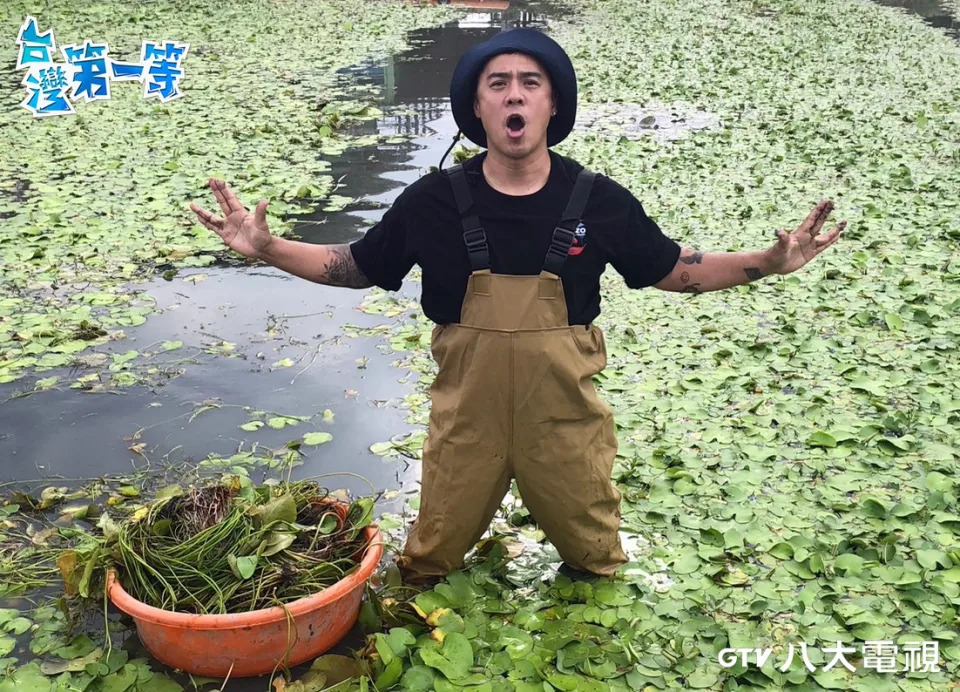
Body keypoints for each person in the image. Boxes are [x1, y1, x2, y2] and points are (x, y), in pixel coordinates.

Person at [190, 28, 845, 585]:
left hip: (565, 426)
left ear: (551, 103)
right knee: (426, 567)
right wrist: (269, 246)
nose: (514, 94)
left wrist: (769, 260)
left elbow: (674, 271)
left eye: (530, 82)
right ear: (477, 107)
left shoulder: (599, 201)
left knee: (597, 564)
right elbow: (357, 267)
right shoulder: (433, 201)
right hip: (466, 428)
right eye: (497, 82)